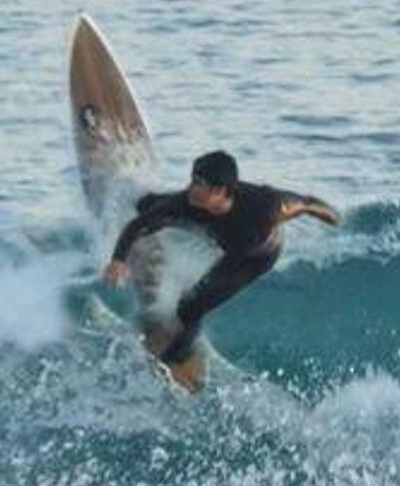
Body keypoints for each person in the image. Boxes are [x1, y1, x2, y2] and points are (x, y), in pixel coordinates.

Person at [103, 151, 340, 382]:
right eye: (192, 180)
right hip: (212, 226)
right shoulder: (192, 200)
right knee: (149, 207)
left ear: (219, 191)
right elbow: (138, 225)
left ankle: (178, 357)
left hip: (251, 259)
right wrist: (118, 259)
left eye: (198, 183)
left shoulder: (267, 206)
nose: (190, 187)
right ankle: (146, 206)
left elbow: (307, 203)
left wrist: (331, 215)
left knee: (189, 307)